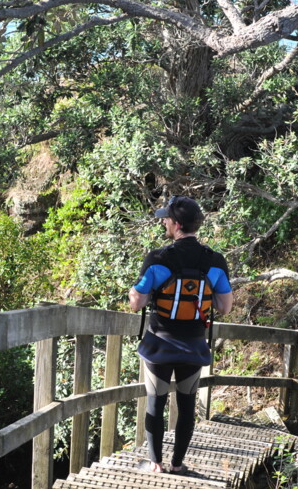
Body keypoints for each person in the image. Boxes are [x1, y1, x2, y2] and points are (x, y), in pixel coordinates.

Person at [128, 195, 233, 474]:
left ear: (176, 225)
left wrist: (133, 294)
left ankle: (155, 463)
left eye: (165, 218)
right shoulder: (215, 260)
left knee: (155, 402)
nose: (163, 221)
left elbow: (137, 302)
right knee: (187, 405)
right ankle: (177, 464)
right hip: (193, 346)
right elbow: (225, 306)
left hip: (159, 346)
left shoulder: (158, 258)